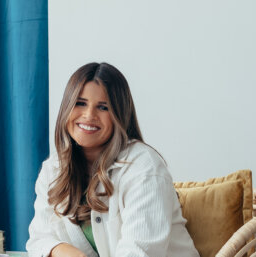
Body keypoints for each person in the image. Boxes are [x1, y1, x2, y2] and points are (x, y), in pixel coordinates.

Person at [26, 63, 199, 257]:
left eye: (103, 107)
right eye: (80, 103)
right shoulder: (54, 169)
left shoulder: (144, 167)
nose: (89, 115)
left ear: (119, 114)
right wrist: (66, 252)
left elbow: (138, 253)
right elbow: (38, 240)